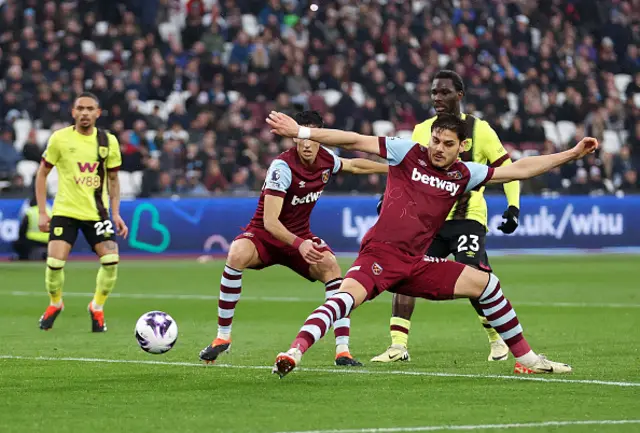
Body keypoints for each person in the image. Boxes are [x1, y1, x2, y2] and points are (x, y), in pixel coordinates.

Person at [265, 111, 598, 378]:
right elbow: (353, 139)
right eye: (435, 140)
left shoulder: (465, 174)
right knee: (344, 300)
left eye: (447, 143)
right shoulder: (406, 152)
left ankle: (526, 359)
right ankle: (293, 352)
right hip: (380, 254)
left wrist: (571, 153)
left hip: (416, 261)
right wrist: (303, 132)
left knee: (486, 284)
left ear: (461, 146)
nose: (438, 148)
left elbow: (520, 170)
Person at [198, 110, 389, 367]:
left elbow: (354, 165)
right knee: (236, 253)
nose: (307, 144)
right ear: (294, 138)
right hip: (265, 236)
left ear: (319, 138)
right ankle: (223, 337)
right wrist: (301, 244)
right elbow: (270, 222)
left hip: (300, 237)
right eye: (302, 137)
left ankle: (342, 351)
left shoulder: (326, 160)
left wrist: (391, 169)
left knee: (332, 267)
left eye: (312, 138)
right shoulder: (282, 167)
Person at [372, 70, 520, 364]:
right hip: (428, 221)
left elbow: (508, 168)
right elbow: (404, 170)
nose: (438, 98)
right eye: (434, 93)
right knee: (404, 271)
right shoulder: (423, 130)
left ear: (459, 96)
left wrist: (513, 206)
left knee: (472, 272)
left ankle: (496, 340)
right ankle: (398, 346)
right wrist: (388, 198)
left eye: (444, 93)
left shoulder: (481, 130)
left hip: (468, 217)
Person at [35, 92, 128, 332]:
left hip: (97, 214)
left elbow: (114, 180)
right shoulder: (60, 139)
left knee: (111, 260)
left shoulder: (108, 142)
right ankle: (55, 303)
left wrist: (115, 213)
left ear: (98, 113)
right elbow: (42, 174)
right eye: (80, 108)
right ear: (73, 112)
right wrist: (43, 213)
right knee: (54, 263)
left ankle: (97, 307)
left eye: (89, 108)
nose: (84, 113)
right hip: (65, 211)